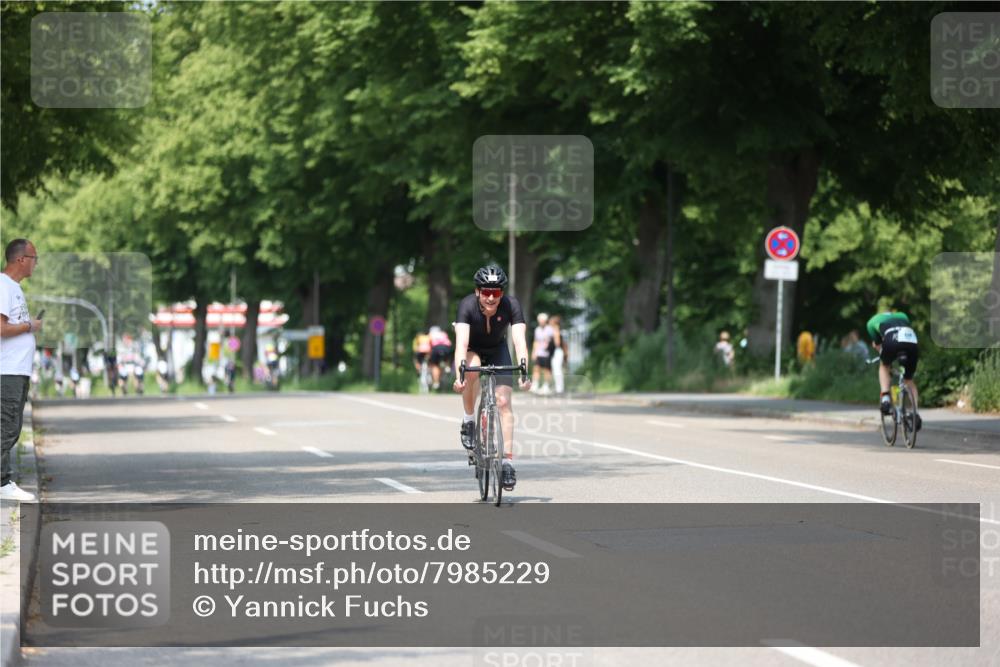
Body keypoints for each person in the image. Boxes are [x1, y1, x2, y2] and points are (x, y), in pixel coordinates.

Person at [452, 264, 531, 490]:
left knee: (504, 402)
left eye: (495, 292)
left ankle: (506, 462)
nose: (490, 298)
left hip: (498, 349)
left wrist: (524, 371)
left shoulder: (511, 305)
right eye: (485, 292)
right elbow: (461, 345)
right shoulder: (467, 306)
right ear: (478, 292)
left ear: (502, 294)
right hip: (473, 349)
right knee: (473, 368)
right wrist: (460, 374)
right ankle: (468, 420)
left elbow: (519, 341)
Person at [0, 239, 41, 501]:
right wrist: (29, 327)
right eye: (34, 258)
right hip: (7, 371)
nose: (36, 264)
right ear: (21, 259)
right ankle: (2, 483)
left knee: (11, 428)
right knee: (6, 427)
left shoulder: (13, 287)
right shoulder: (3, 286)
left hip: (17, 370)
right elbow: (1, 329)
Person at [866, 309, 921, 429]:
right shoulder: (903, 315)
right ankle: (915, 413)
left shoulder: (872, 322)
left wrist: (882, 353)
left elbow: (878, 345)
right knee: (909, 379)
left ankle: (885, 397)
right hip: (911, 340)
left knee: (884, 365)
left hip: (891, 339)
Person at [531, 313, 553, 394]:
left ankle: (546, 385)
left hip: (547, 353)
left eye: (542, 321)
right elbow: (536, 341)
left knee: (547, 370)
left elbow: (550, 340)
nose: (540, 322)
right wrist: (534, 352)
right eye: (539, 321)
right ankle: (535, 384)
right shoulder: (537, 329)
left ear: (545, 321)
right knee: (536, 368)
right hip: (539, 353)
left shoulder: (549, 329)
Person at [427, 325, 453, 390]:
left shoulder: (430, 335)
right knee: (447, 357)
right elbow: (449, 342)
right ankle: (447, 366)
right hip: (446, 348)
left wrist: (429, 354)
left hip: (436, 348)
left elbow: (429, 346)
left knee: (434, 365)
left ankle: (436, 382)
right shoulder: (443, 333)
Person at [549, 314, 567, 395]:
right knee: (557, 370)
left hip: (557, 351)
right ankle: (558, 387)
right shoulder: (557, 329)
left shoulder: (555, 329)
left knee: (557, 370)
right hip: (557, 351)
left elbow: (557, 342)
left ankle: (559, 388)